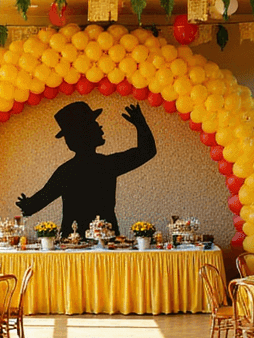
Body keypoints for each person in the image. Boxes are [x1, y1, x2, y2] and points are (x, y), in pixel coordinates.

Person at [16, 101, 156, 237]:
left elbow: (34, 205)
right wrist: (140, 124)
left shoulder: (66, 171)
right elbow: (147, 151)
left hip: (73, 243)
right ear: (85, 132)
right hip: (105, 240)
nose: (100, 127)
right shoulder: (107, 165)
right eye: (94, 124)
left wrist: (26, 205)